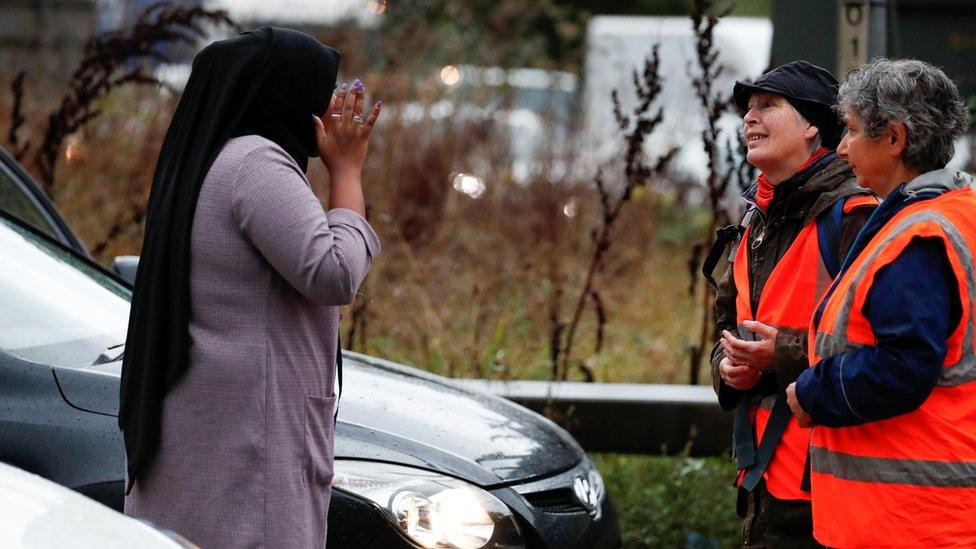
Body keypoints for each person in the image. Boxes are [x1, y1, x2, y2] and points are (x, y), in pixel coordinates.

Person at [119, 27, 381, 548]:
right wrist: (348, 173)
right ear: (284, 92)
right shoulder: (257, 164)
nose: (331, 106)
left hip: (217, 421)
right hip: (249, 436)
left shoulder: (210, 158)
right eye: (321, 89)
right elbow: (333, 273)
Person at [786, 58, 974, 548]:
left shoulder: (918, 236)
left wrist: (812, 392)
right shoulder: (958, 214)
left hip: (905, 521)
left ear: (894, 138)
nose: (841, 146)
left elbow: (903, 364)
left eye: (848, 131)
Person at [707, 60, 877, 548]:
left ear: (811, 127)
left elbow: (884, 347)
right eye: (748, 109)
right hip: (766, 477)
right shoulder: (754, 220)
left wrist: (779, 353)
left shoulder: (856, 214)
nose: (749, 119)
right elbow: (724, 326)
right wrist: (729, 368)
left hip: (833, 478)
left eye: (768, 105)